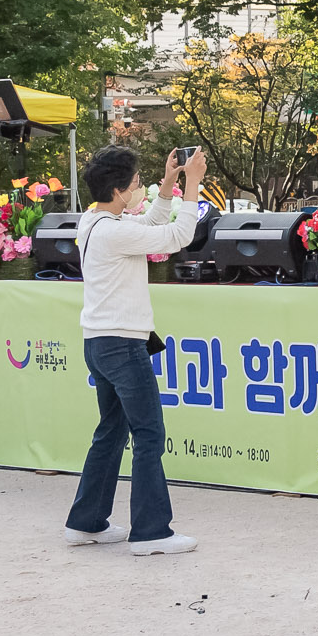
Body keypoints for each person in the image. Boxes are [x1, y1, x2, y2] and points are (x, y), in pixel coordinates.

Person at [62, 145, 205, 554]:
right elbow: (178, 235)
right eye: (138, 183)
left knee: (111, 432)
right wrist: (193, 185)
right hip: (123, 346)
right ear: (121, 191)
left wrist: (169, 182)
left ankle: (85, 522)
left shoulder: (95, 220)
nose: (140, 188)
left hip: (99, 342)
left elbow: (150, 222)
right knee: (148, 434)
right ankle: (151, 532)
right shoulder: (112, 230)